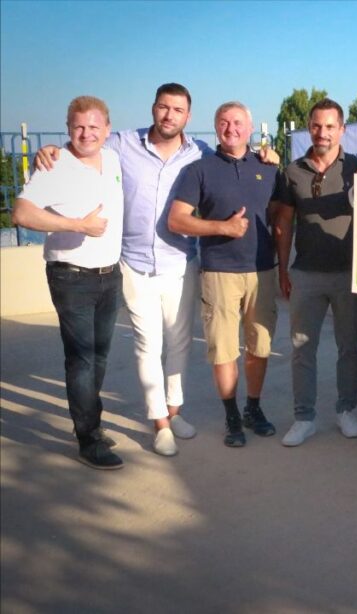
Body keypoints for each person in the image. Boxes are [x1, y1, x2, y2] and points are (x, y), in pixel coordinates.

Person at [34, 83, 278, 457]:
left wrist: (268, 153)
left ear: (188, 117)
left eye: (177, 110)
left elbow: (238, 162)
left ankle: (175, 411)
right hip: (133, 261)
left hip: (181, 261)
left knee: (180, 343)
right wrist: (53, 150)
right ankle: (159, 422)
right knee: (148, 344)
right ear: (154, 109)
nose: (169, 116)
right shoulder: (122, 144)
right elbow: (86, 141)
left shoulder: (199, 152)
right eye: (164, 108)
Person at [13, 96, 125, 469]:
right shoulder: (54, 165)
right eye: (79, 126)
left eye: (94, 126)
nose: (86, 133)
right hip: (71, 276)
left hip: (110, 276)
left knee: (100, 357)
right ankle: (88, 438)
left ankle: (90, 421)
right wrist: (77, 225)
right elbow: (21, 213)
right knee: (81, 360)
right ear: (68, 129)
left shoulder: (112, 158)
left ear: (107, 129)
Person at [168, 101, 280, 448]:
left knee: (259, 346)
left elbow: (281, 217)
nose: (230, 128)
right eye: (223, 122)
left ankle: (253, 407)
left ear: (250, 128)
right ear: (216, 128)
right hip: (219, 272)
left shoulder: (270, 168)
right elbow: (177, 219)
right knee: (224, 349)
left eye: (237, 123)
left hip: (262, 271)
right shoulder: (199, 170)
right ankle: (231, 414)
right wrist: (222, 227)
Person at [274, 99, 357, 446]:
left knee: (349, 347)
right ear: (309, 127)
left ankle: (346, 410)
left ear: (342, 129)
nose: (322, 132)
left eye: (330, 126)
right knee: (301, 348)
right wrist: (284, 269)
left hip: (349, 275)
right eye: (316, 125)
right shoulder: (292, 171)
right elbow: (283, 223)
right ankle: (304, 417)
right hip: (306, 275)